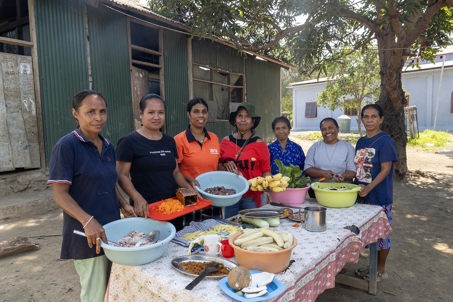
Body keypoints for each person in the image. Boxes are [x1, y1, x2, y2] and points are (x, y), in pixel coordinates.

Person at [47, 90, 135, 302]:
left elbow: (107, 181)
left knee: (114, 289)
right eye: (90, 112)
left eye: (102, 111)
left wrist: (123, 203)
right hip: (85, 234)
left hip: (112, 229)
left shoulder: (107, 145)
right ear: (75, 113)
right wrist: (87, 221)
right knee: (95, 293)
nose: (98, 117)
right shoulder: (67, 146)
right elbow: (59, 195)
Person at [116, 93, 194, 230]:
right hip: (146, 208)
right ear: (141, 114)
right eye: (151, 112)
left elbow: (175, 171)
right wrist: (136, 197)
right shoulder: (129, 142)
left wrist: (189, 189)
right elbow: (121, 175)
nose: (156, 117)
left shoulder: (169, 141)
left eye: (161, 113)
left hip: (172, 206)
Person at [354, 103, 398, 282]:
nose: (369, 120)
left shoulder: (385, 141)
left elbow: (386, 169)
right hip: (362, 195)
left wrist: (369, 188)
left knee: (382, 234)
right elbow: (359, 168)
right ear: (362, 119)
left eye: (374, 116)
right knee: (366, 233)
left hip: (379, 196)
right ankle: (371, 267)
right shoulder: (361, 141)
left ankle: (380, 270)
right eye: (366, 116)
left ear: (381, 119)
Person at [219, 103, 271, 217]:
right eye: (240, 116)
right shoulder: (225, 141)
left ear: (252, 122)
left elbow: (266, 170)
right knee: (230, 227)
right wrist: (226, 164)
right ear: (235, 120)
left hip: (252, 197)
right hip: (229, 195)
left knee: (253, 228)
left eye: (247, 116)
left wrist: (267, 191)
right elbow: (218, 167)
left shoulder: (260, 144)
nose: (243, 119)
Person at [174, 97, 220, 186]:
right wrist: (188, 180)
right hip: (190, 192)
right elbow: (175, 171)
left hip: (212, 190)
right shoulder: (179, 140)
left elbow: (217, 165)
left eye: (204, 111)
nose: (201, 115)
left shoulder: (214, 138)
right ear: (188, 114)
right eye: (196, 111)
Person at [304, 117, 356, 182]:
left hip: (343, 189)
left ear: (337, 129)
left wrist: (343, 176)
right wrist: (322, 173)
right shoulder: (315, 147)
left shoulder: (348, 147)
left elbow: (352, 171)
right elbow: (307, 169)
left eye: (330, 128)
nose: (327, 131)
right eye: (324, 129)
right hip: (318, 189)